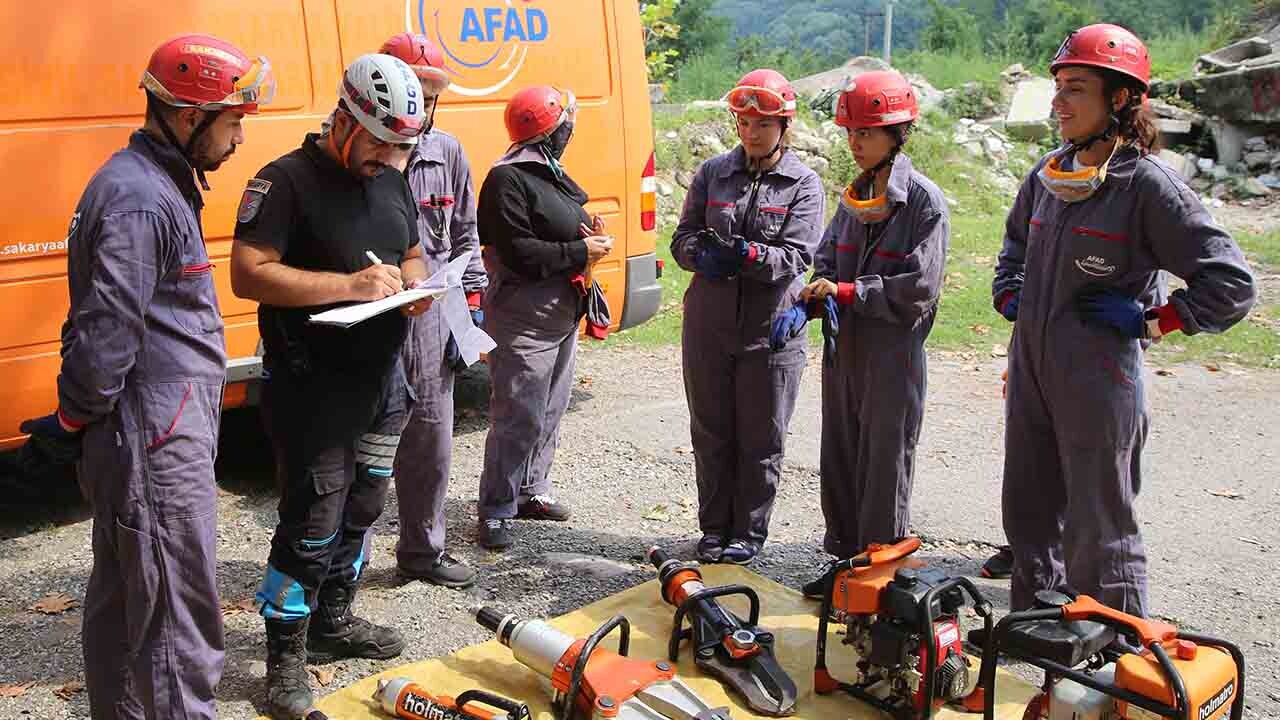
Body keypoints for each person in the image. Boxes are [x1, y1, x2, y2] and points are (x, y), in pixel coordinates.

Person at [15, 34, 274, 719]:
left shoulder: (157, 183)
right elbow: (107, 334)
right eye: (233, 120)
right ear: (189, 117)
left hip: (157, 428)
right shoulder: (138, 198)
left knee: (128, 605)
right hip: (152, 441)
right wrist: (74, 417)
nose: (240, 137)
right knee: (174, 624)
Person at [994, 24, 1255, 616]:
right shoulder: (1047, 176)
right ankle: (1036, 631)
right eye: (1057, 86)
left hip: (1099, 377)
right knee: (1028, 511)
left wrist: (1155, 322)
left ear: (1119, 99)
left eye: (1076, 88)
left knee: (1099, 521)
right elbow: (1013, 249)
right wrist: (1013, 294)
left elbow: (1231, 283)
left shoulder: (1147, 187)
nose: (1058, 102)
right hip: (1032, 370)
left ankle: (1110, 654)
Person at [230, 53, 429, 718]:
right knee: (311, 522)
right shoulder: (284, 182)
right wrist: (346, 287)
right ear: (344, 119)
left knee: (367, 505)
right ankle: (285, 655)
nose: (389, 158)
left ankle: (333, 621)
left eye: (402, 146)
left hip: (383, 379)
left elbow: (410, 249)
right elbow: (249, 271)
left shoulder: (391, 174)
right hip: (312, 388)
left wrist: (418, 283)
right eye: (380, 143)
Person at [793, 70, 951, 597]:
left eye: (867, 132)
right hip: (845, 353)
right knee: (840, 458)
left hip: (892, 354)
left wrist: (845, 292)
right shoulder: (853, 198)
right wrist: (809, 297)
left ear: (898, 133)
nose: (856, 143)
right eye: (851, 132)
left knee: (884, 464)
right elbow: (824, 258)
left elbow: (919, 288)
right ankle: (846, 564)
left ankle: (882, 574)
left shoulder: (924, 203)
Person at [670, 69, 824, 566]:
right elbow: (682, 238)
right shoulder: (713, 173)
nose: (751, 133)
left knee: (761, 436)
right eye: (743, 122)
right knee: (711, 431)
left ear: (784, 125)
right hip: (709, 328)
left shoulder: (803, 183)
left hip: (770, 331)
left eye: (762, 124)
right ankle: (713, 528)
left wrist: (747, 256)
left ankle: (749, 533)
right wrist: (700, 253)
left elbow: (796, 256)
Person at [475, 85, 612, 550]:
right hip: (523, 314)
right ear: (551, 130)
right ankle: (495, 507)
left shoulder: (547, 172)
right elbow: (517, 252)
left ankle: (530, 490)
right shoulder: (506, 179)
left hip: (559, 310)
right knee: (519, 413)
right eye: (565, 125)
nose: (570, 132)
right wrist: (580, 250)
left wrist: (585, 230)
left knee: (549, 408)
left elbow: (549, 225)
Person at [378, 33, 488, 589]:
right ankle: (338, 566)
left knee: (431, 436)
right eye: (412, 90)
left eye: (430, 92)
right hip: (370, 313)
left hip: (433, 313)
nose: (422, 103)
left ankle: (422, 551)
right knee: (361, 443)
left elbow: (465, 234)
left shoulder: (447, 152)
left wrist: (470, 305)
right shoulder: (361, 152)